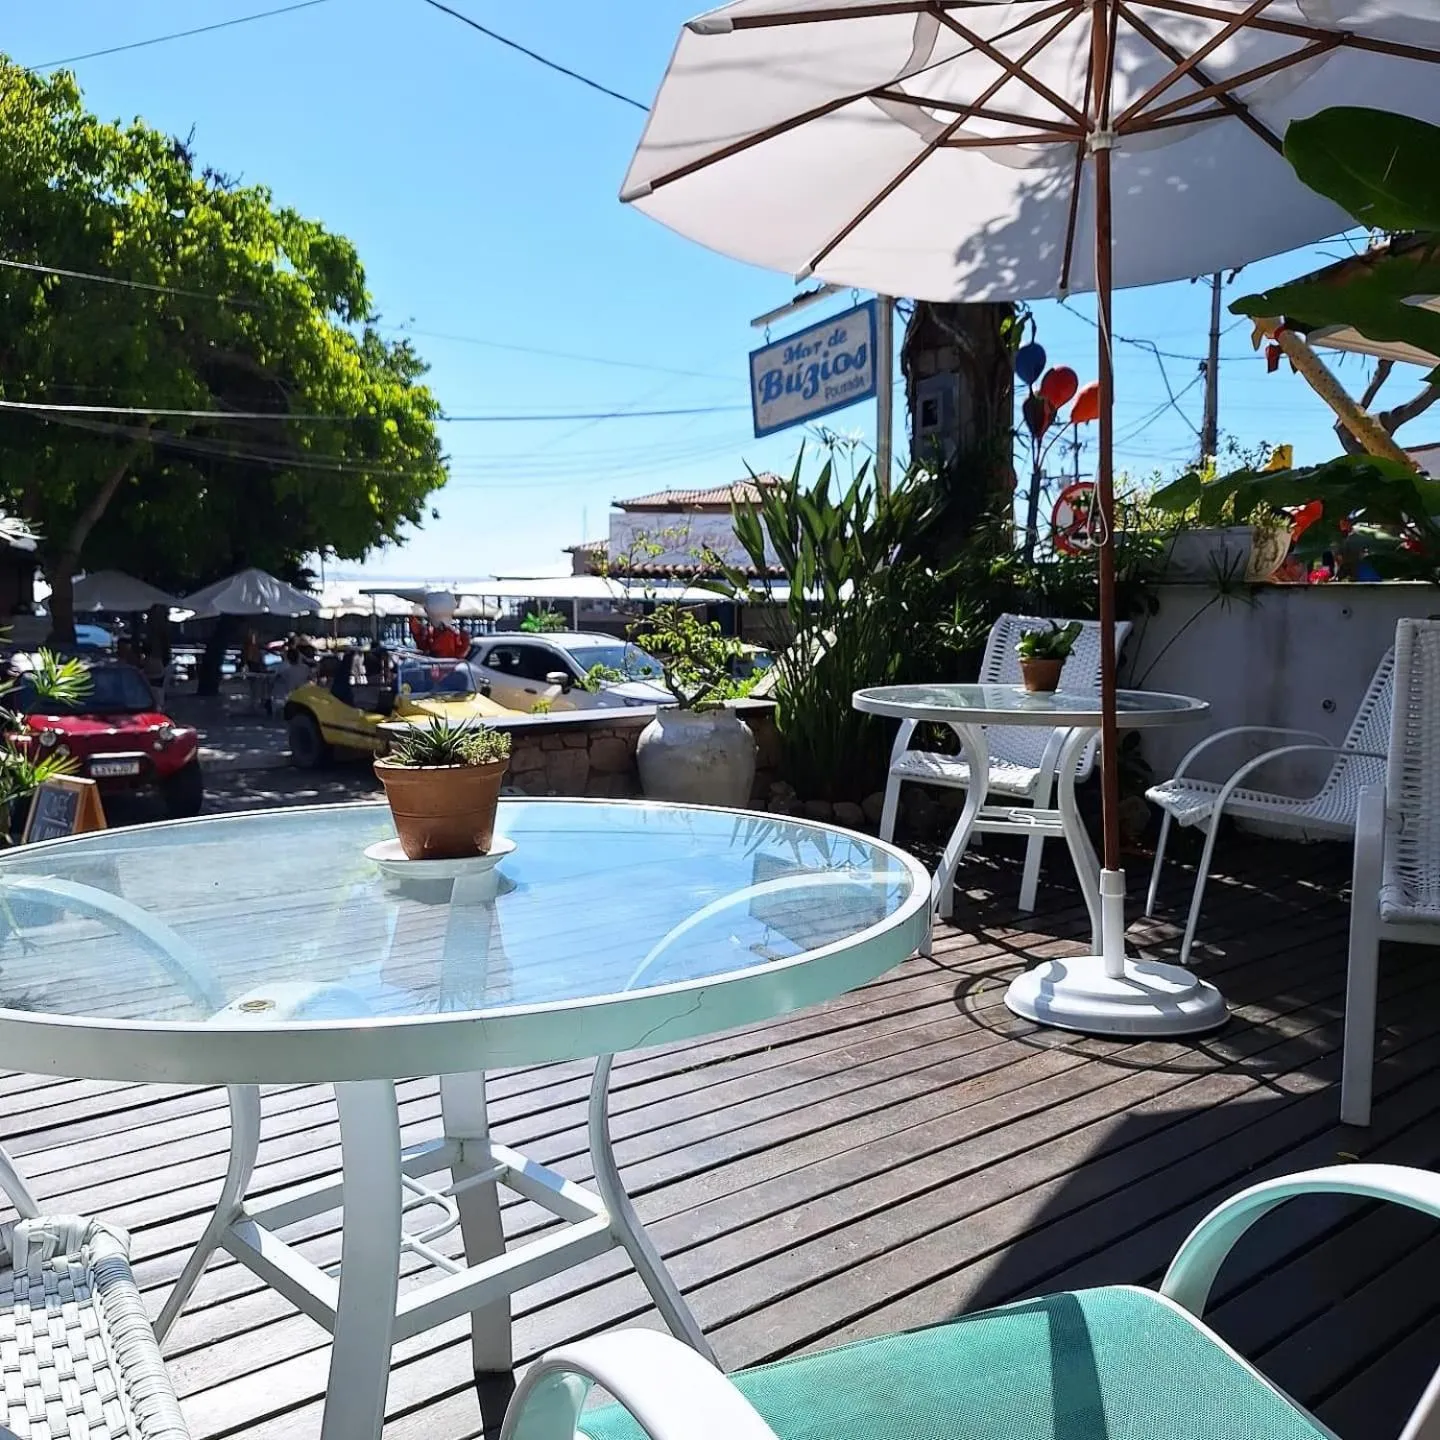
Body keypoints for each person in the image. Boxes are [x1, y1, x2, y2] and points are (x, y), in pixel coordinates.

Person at [408, 590, 469, 659]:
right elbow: (461, 650)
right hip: (444, 661)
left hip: (442, 661)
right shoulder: (446, 634)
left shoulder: (442, 634)